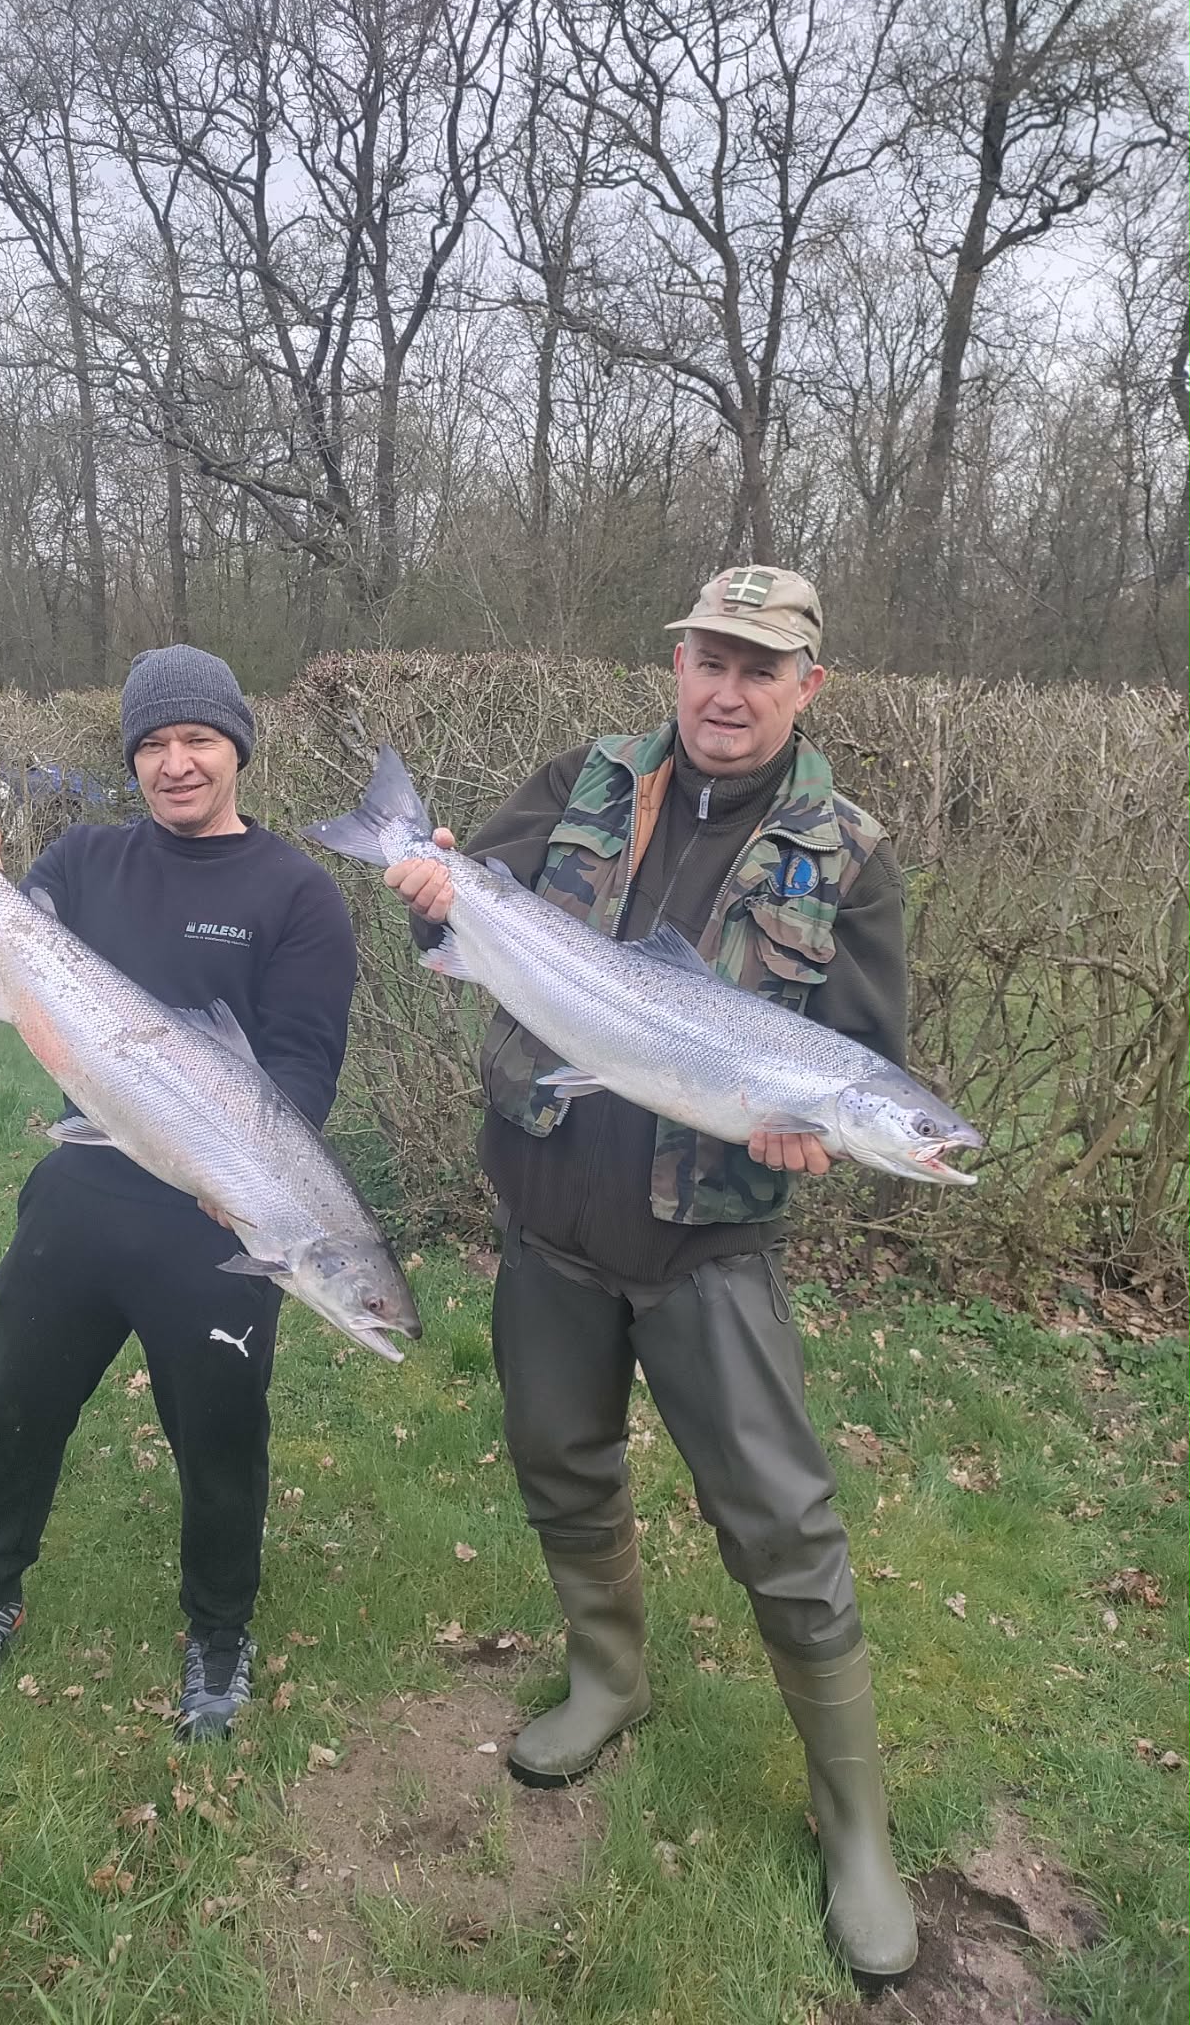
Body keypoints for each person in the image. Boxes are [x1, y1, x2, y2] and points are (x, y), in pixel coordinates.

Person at [383, 567, 918, 1981]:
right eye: (707, 660)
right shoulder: (585, 781)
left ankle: (854, 1824)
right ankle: (606, 1677)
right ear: (674, 663)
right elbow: (458, 921)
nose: (726, 692)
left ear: (807, 686)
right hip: (551, 1217)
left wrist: (814, 1135)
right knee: (559, 1462)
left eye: (759, 668)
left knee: (782, 1527)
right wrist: (430, 893)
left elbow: (865, 1057)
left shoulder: (846, 856)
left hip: (704, 1248)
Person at [0, 645, 358, 1741]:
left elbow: (302, 1068)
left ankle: (218, 1629)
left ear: (237, 747)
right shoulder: (84, 860)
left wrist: (245, 1176)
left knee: (220, 1436)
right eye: (152, 744)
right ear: (132, 759)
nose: (175, 762)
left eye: (197, 738)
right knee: (20, 1403)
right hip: (83, 1191)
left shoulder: (297, 892)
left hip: (218, 1216)